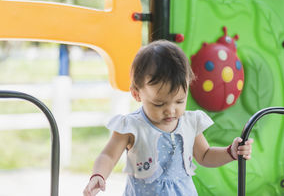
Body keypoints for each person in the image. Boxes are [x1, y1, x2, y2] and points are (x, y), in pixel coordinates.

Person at [83, 40, 253, 196]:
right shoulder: (132, 126)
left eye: (179, 101)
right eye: (159, 104)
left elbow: (205, 155)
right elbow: (108, 156)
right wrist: (98, 175)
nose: (170, 110)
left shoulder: (189, 122)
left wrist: (230, 152)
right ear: (137, 94)